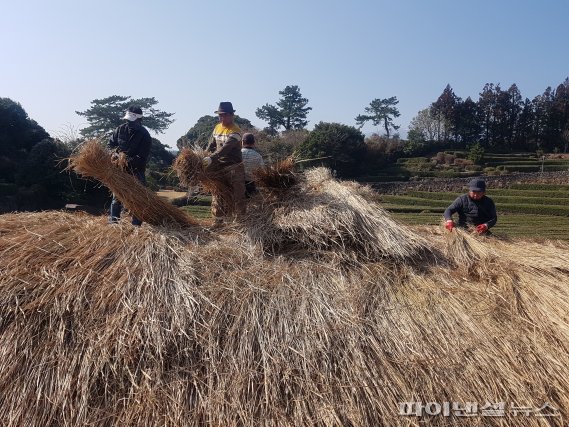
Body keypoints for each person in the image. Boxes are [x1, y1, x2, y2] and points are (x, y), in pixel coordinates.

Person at [108, 105, 152, 226]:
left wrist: (127, 161)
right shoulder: (120, 129)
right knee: (116, 197)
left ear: (139, 120)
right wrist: (115, 155)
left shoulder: (145, 135)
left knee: (138, 198)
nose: (129, 123)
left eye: (131, 121)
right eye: (127, 120)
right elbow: (111, 145)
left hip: (137, 170)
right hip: (119, 170)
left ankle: (136, 225)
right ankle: (113, 223)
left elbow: (142, 157)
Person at [203, 102, 246, 224]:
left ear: (231, 115)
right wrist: (205, 154)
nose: (221, 118)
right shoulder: (217, 127)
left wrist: (212, 158)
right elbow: (212, 144)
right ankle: (217, 221)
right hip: (219, 167)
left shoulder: (235, 130)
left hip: (234, 167)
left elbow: (225, 148)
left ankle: (240, 223)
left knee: (238, 196)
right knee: (218, 194)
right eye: (219, 115)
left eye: (223, 115)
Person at [241, 133, 265, 197]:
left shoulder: (237, 154)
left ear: (242, 142)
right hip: (251, 186)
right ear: (254, 143)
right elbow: (263, 171)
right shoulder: (258, 156)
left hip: (237, 185)